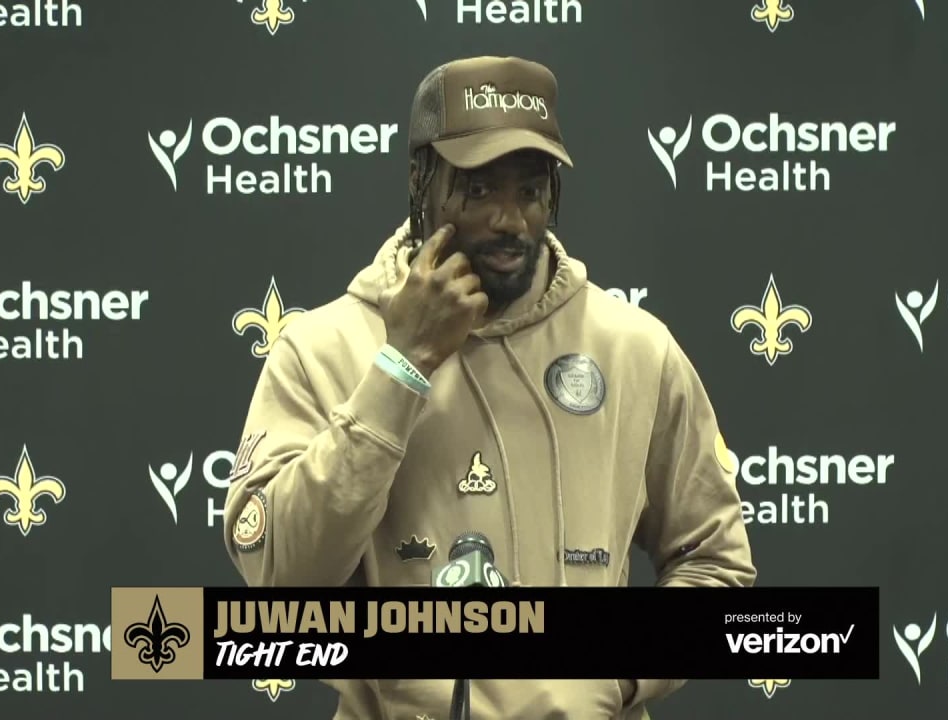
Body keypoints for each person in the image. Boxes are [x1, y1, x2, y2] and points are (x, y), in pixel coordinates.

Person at [222, 55, 757, 719]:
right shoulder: (322, 350)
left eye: (530, 191)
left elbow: (715, 562)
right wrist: (402, 366)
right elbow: (281, 585)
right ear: (421, 181)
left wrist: (613, 676)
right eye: (478, 190)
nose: (510, 220)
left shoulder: (634, 348)